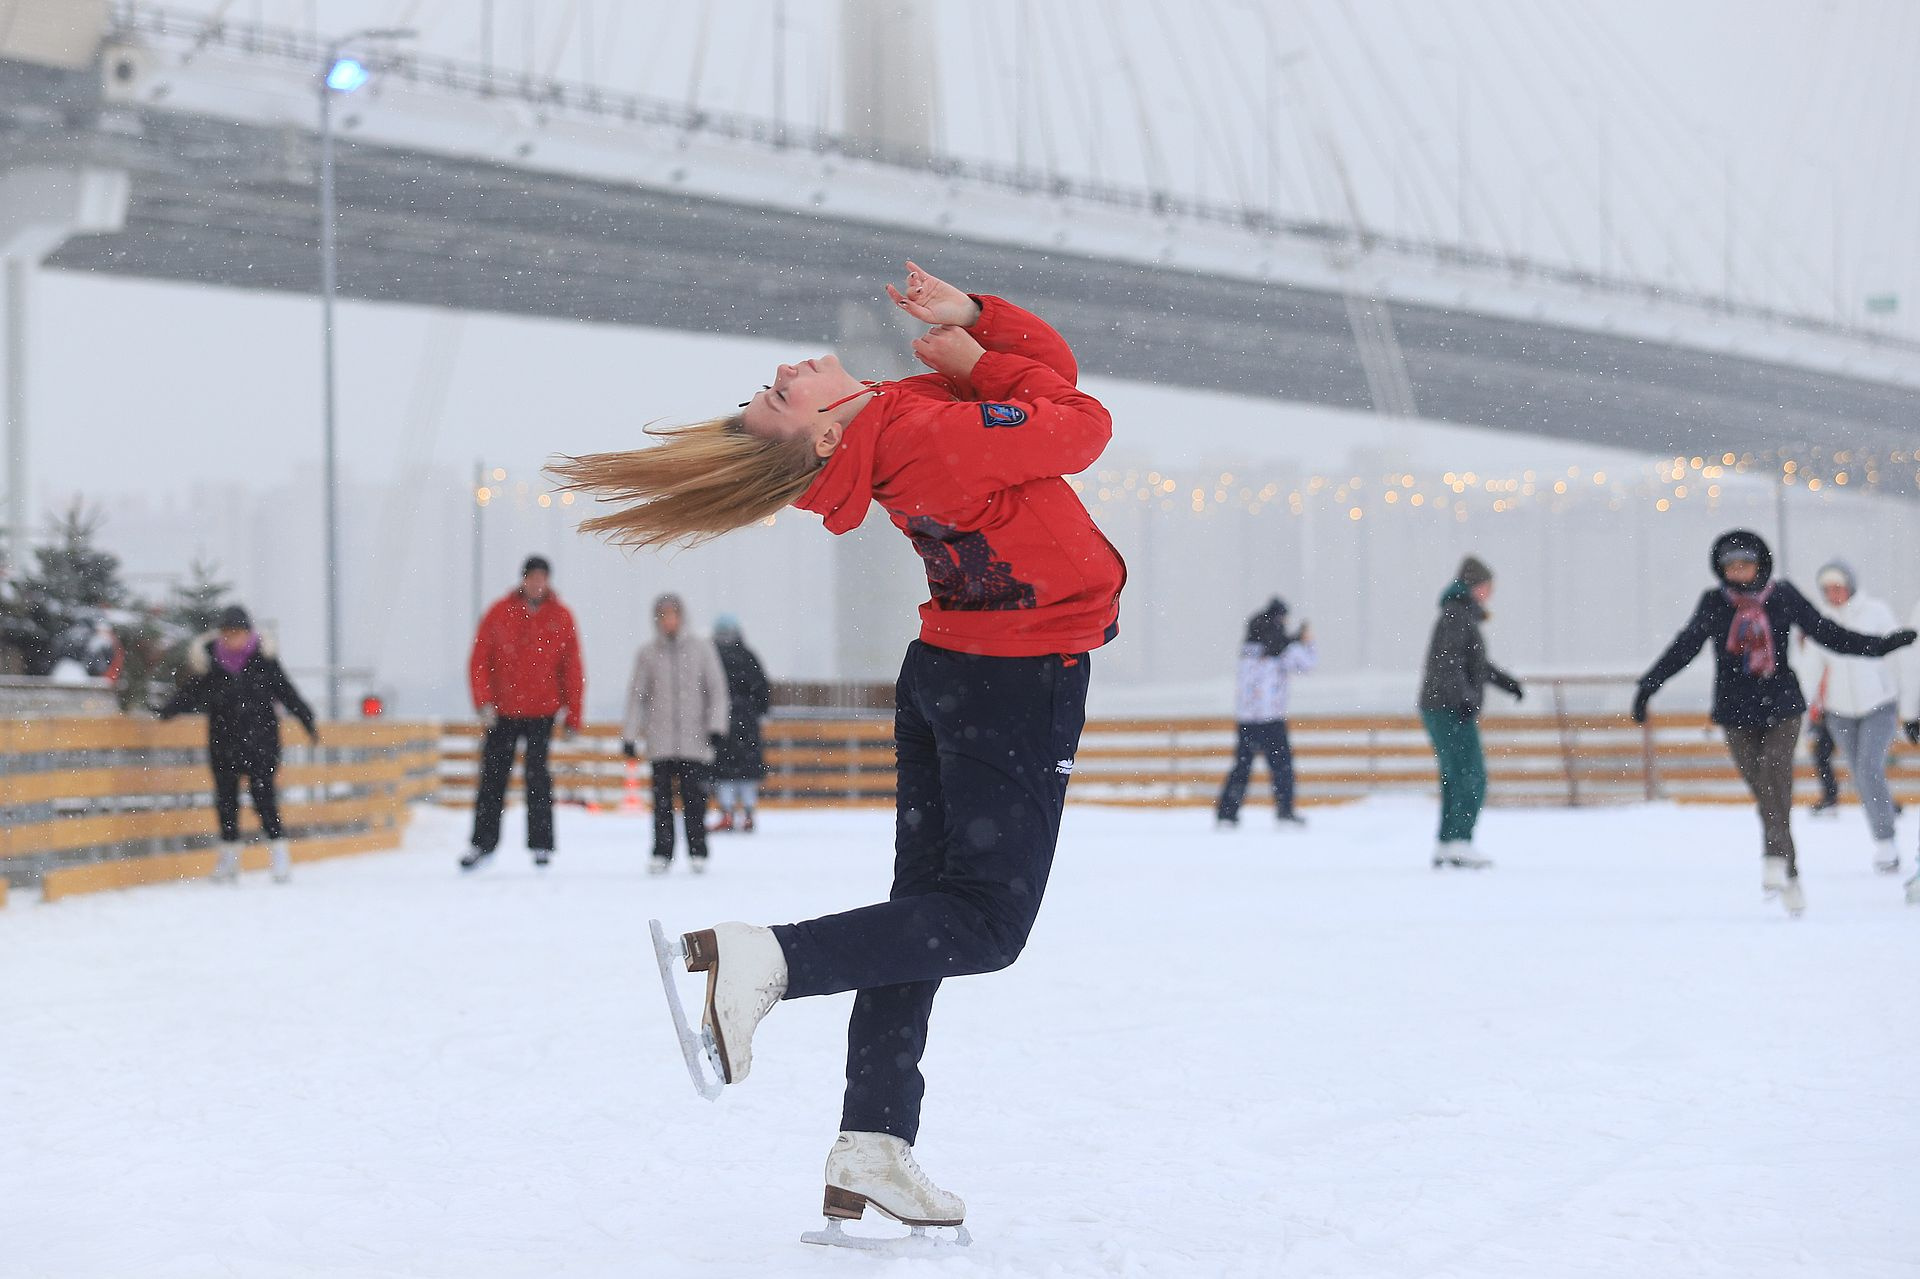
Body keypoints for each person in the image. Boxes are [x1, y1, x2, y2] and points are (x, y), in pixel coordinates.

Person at [551, 260, 1123, 1236]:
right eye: (783, 393)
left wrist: (982, 324)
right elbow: (1079, 426)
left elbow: (1049, 383)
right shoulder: (920, 434)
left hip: (952, 669)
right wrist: (981, 353)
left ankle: (874, 1140)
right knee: (986, 924)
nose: (786, 368)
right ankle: (765, 958)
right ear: (824, 432)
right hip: (1015, 679)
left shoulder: (894, 422)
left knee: (928, 911)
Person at [1632, 531, 1914, 916]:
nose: (1738, 571)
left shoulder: (1782, 596)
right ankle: (1792, 873)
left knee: (1774, 778)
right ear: (1721, 569)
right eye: (1731, 566)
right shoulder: (1714, 604)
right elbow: (1686, 645)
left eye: (1745, 564)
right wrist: (1649, 684)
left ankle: (1773, 859)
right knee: (1767, 793)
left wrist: (1878, 646)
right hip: (1735, 712)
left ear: (1760, 564)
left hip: (1782, 706)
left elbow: (1826, 633)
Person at [157, 605, 317, 884]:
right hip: (223, 740)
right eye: (228, 634)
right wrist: (166, 711)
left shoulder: (264, 661)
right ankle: (229, 859)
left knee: (263, 795)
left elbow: (287, 691)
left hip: (261, 741)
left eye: (238, 633)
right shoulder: (212, 665)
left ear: (248, 633)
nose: (233, 639)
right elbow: (191, 693)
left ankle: (279, 855)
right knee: (225, 800)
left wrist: (307, 719)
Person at [462, 555, 584, 872]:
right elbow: (479, 660)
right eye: (532, 577)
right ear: (523, 580)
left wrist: (574, 713)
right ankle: (482, 843)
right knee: (493, 778)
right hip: (503, 711)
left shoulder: (561, 616)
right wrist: (483, 702)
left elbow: (572, 667)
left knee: (538, 778)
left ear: (548, 581)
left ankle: (541, 845)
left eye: (542, 577)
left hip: (542, 711)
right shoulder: (500, 613)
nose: (537, 583)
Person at [1798, 561, 1905, 873]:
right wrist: (1808, 707)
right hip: (1839, 712)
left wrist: (1906, 699)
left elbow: (1897, 653)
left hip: (1879, 705)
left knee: (1869, 767)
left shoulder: (1876, 612)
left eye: (1838, 586)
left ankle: (1886, 841)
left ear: (1850, 586)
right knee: (1861, 774)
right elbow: (1811, 668)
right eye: (1827, 589)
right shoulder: (1821, 621)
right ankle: (1883, 830)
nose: (1834, 594)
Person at [1418, 555, 1523, 869]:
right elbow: (1450, 663)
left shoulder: (1458, 615)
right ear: (1475, 585)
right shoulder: (1456, 616)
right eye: (1488, 586)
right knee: (1471, 774)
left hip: (1443, 706)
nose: (1490, 593)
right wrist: (1464, 699)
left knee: (1455, 776)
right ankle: (1460, 840)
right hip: (1448, 708)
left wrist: (1505, 682)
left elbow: (1473, 664)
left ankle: (1449, 843)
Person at [621, 594, 729, 873]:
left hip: (694, 740)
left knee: (695, 800)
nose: (668, 621)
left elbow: (717, 691)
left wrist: (716, 727)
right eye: (662, 615)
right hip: (660, 740)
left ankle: (698, 850)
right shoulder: (647, 654)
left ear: (681, 617)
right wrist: (630, 735)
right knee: (661, 802)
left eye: (672, 614)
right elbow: (637, 696)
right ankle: (662, 851)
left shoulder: (701, 650)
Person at [1215, 597, 1316, 828]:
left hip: (1247, 718)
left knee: (1241, 767)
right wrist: (1306, 642)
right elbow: (1308, 664)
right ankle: (1285, 811)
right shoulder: (1283, 650)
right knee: (1282, 768)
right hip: (1271, 718)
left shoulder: (1248, 650)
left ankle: (1227, 814)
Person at [710, 614, 772, 834]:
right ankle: (748, 813)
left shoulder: (712, 656)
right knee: (747, 772)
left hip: (721, 722)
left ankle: (726, 813)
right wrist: (757, 711)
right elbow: (762, 689)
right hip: (747, 723)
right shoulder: (747, 656)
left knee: (723, 772)